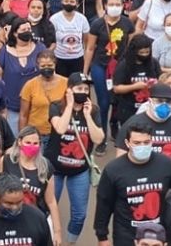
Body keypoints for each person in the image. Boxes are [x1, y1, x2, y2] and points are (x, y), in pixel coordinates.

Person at [94, 122, 171, 246]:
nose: (142, 146)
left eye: (146, 142)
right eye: (137, 143)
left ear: (152, 142)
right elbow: (104, 204)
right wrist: (102, 237)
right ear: (127, 143)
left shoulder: (166, 165)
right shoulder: (113, 170)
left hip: (160, 235)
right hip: (127, 235)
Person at [47, 73, 105, 244]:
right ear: (69, 90)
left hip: (79, 170)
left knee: (79, 214)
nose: (83, 92)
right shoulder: (56, 106)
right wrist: (70, 106)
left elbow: (98, 138)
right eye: (79, 88)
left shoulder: (93, 110)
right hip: (54, 169)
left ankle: (70, 242)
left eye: (86, 89)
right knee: (47, 209)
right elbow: (60, 128)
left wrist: (88, 117)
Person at [115, 84, 171, 186]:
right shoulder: (132, 124)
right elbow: (120, 160)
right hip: (140, 184)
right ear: (150, 101)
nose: (164, 104)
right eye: (159, 100)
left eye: (168, 101)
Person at [83, 0, 133, 150]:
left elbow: (131, 46)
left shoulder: (127, 23)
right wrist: (85, 70)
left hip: (121, 67)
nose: (114, 7)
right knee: (103, 102)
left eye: (118, 4)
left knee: (118, 100)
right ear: (105, 5)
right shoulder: (97, 24)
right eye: (111, 4)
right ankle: (102, 137)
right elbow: (90, 48)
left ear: (123, 6)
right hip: (100, 65)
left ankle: (114, 123)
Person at [0, 126, 63, 242]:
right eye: (28, 142)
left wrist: (57, 232)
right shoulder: (7, 161)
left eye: (35, 143)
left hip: (35, 221)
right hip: (10, 218)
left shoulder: (46, 167)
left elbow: (51, 201)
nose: (31, 146)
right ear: (19, 142)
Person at [112, 34, 163, 127]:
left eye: (147, 52)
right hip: (128, 107)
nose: (144, 55)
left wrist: (154, 84)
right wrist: (135, 86)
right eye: (141, 53)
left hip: (149, 106)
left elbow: (161, 80)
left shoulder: (154, 63)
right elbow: (117, 88)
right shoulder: (124, 65)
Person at [19, 51, 68, 138]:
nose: (46, 68)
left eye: (50, 66)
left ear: (55, 65)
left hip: (59, 132)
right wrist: (22, 136)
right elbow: (23, 115)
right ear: (38, 66)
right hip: (36, 134)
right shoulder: (30, 85)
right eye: (43, 66)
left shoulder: (66, 83)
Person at [49, 0, 91, 78]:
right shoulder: (54, 19)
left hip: (78, 59)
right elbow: (52, 41)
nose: (69, 3)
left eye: (72, 1)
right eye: (66, 1)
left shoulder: (82, 19)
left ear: (76, 3)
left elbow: (86, 41)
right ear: (61, 2)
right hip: (59, 59)